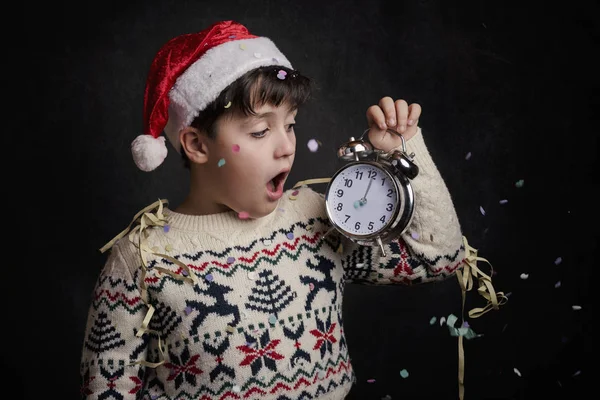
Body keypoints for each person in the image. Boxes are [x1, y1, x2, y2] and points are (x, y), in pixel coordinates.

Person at [79, 20, 468, 400]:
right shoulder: (142, 258)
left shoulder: (315, 219)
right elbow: (107, 387)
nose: (286, 147)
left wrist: (403, 149)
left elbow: (439, 256)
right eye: (261, 131)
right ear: (197, 145)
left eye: (291, 125)